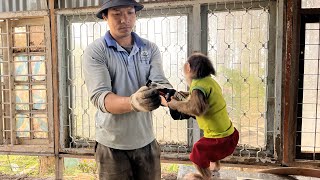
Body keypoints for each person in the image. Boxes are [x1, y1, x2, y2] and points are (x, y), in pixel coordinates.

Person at [82, 0, 171, 179]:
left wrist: (174, 100)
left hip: (146, 141)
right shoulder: (96, 51)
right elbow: (100, 97)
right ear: (105, 16)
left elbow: (159, 84)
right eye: (116, 14)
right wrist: (133, 102)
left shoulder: (149, 48)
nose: (125, 19)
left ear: (135, 14)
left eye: (130, 13)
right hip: (111, 146)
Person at [167, 53, 239, 180]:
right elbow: (203, 99)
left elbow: (196, 109)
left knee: (198, 151)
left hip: (220, 141)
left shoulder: (197, 86)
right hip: (230, 136)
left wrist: (176, 105)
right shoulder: (210, 82)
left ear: (188, 68)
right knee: (208, 145)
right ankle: (215, 167)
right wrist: (186, 95)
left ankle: (205, 176)